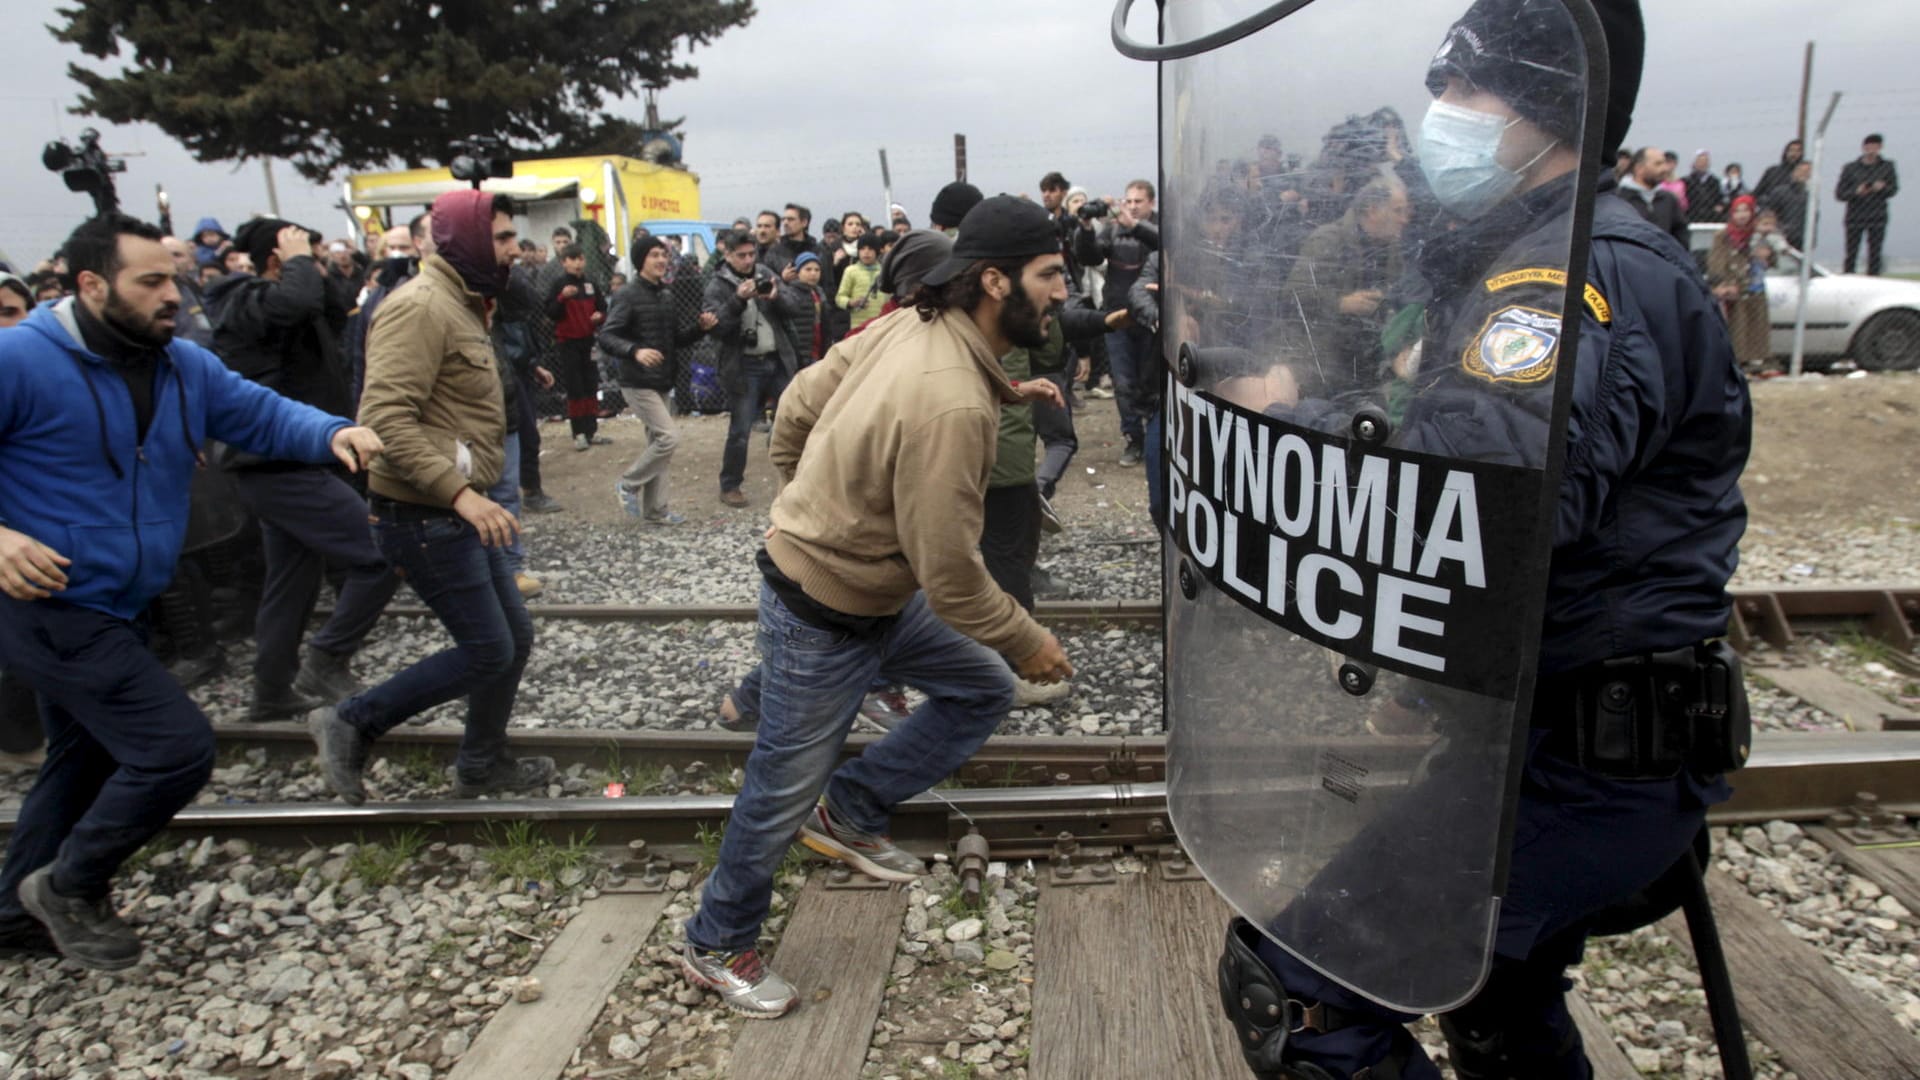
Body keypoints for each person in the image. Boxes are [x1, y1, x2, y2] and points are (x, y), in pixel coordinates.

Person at [1214, 3, 1753, 1080]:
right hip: (1549, 736)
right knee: (1493, 998)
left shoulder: (1566, 280)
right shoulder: (1520, 256)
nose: (1437, 118)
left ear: (1549, 110)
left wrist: (1289, 440)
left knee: (1301, 995)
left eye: (1466, 92)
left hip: (1590, 761)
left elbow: (1479, 510)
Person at [677, 195, 1073, 1018]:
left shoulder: (916, 324)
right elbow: (952, 575)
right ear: (995, 281)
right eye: (1052, 274)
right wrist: (1029, 639)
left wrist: (807, 493)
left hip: (870, 593)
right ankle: (715, 944)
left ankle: (851, 809)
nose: (1065, 290)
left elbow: (796, 406)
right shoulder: (952, 402)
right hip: (825, 608)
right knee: (779, 787)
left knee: (979, 689)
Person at [0, 212, 382, 968]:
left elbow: (259, 412)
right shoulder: (19, 360)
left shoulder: (178, 363)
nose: (170, 294)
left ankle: (13, 916)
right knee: (174, 750)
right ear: (90, 284)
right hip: (49, 604)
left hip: (121, 599)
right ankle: (71, 885)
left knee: (83, 760)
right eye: (149, 282)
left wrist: (332, 434)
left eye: (172, 278)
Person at [309, 190, 555, 804]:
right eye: (499, 238)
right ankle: (350, 720)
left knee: (511, 639)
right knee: (486, 648)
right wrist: (462, 496)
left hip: (454, 508)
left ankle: (480, 764)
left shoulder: (464, 302)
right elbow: (384, 421)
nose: (512, 251)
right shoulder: (419, 306)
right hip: (424, 513)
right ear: (467, 240)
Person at [206, 217, 400, 719]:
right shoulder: (241, 297)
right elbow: (295, 303)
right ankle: (327, 657)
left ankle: (271, 690)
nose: (311, 265)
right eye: (301, 256)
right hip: (278, 465)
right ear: (275, 259)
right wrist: (295, 262)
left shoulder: (293, 298)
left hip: (295, 462)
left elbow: (336, 307)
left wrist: (325, 266)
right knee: (379, 554)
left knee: (291, 584)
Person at [599, 236, 717, 525]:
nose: (662, 260)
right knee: (668, 437)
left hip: (661, 379)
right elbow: (606, 336)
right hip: (636, 381)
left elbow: (675, 339)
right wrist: (635, 351)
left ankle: (656, 511)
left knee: (658, 443)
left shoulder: (666, 294)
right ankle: (627, 483)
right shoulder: (627, 295)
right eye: (654, 255)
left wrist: (699, 329)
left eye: (664, 255)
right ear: (641, 260)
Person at [704, 229, 804, 509]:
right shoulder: (717, 285)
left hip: (777, 360)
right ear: (727, 255)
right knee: (740, 429)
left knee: (797, 416)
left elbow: (796, 306)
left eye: (752, 254)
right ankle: (730, 485)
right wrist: (737, 300)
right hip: (745, 365)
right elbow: (717, 327)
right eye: (742, 256)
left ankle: (801, 479)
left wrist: (776, 297)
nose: (748, 261)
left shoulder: (765, 273)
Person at [1073, 180, 1160, 466]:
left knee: (1152, 381)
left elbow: (1164, 245)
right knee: (1123, 382)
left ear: (1152, 204)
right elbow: (1089, 256)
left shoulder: (1161, 230)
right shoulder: (1114, 229)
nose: (1133, 207)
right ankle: (1133, 438)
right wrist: (1085, 229)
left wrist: (1134, 226)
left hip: (1153, 318)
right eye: (1129, 201)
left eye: (1139, 201)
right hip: (1118, 315)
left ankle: (1156, 436)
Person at [545, 244, 609, 451]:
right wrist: (562, 297)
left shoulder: (590, 283)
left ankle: (592, 430)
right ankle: (578, 432)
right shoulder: (559, 284)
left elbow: (602, 307)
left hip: (588, 341)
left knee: (591, 384)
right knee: (575, 387)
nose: (578, 263)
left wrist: (600, 316)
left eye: (580, 258)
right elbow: (550, 312)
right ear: (564, 262)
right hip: (567, 343)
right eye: (572, 259)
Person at [1708, 194, 1772, 368]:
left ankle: (1756, 361)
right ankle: (1736, 362)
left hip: (1754, 285)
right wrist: (1724, 284)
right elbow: (1717, 262)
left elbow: (1771, 259)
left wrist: (1767, 257)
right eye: (1737, 211)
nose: (1742, 215)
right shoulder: (1723, 235)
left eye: (1746, 211)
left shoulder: (1758, 235)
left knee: (1756, 323)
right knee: (1737, 325)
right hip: (1734, 286)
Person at [1837, 133, 1898, 275]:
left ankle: (1873, 278)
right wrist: (1856, 191)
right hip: (1855, 215)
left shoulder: (1887, 166)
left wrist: (1882, 188)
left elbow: (1894, 189)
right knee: (1851, 252)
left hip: (1877, 215)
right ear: (1863, 147)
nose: (1872, 149)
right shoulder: (1850, 168)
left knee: (1875, 252)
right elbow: (1840, 194)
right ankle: (1848, 277)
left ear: (1880, 148)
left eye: (1875, 146)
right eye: (1869, 146)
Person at [1616, 145, 1689, 247]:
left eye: (1664, 163)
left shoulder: (1668, 199)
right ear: (1639, 168)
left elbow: (1680, 234)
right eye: (1658, 164)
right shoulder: (1619, 200)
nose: (1665, 168)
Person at [158, 236, 215, 347]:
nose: (170, 259)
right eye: (164, 253)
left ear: (190, 261)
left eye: (177, 255)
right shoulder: (148, 294)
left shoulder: (196, 289)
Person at [835, 233, 890, 331]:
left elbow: (890, 298)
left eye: (870, 249)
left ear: (877, 251)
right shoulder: (850, 271)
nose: (866, 252)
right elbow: (839, 298)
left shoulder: (885, 272)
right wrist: (851, 302)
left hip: (881, 326)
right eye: (862, 249)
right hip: (858, 327)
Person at [1761, 158, 1814, 250]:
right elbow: (1769, 212)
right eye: (1801, 170)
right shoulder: (1780, 192)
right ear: (1793, 172)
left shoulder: (1811, 197)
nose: (1804, 174)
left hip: (1803, 240)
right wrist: (1781, 229)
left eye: (1807, 171)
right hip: (1782, 238)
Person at [1753, 138, 1804, 204]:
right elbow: (1757, 193)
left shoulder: (1804, 173)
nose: (1794, 154)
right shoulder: (1772, 171)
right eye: (1791, 150)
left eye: (1798, 151)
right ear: (1786, 152)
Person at [1681, 149, 1725, 222]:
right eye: (1700, 161)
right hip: (1690, 215)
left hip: (1711, 216)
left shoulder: (1715, 181)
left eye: (1705, 161)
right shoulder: (1685, 181)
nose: (1703, 164)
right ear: (1694, 163)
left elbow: (1720, 198)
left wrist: (1720, 206)